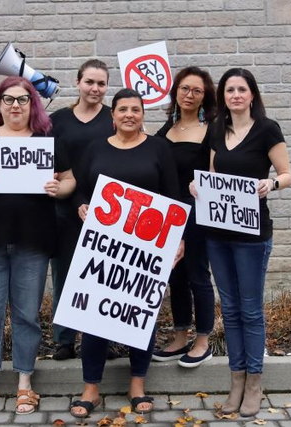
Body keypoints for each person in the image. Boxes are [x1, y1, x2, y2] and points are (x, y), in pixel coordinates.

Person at [0, 76, 75, 415]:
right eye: (8, 99)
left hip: (34, 239)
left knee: (27, 313)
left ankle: (25, 381)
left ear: (32, 104)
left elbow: (70, 179)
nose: (16, 105)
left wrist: (59, 189)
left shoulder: (46, 141)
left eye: (23, 99)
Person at [69, 89, 183, 419]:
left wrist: (179, 240)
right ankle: (91, 387)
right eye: (123, 110)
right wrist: (81, 205)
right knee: (94, 316)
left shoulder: (158, 148)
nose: (129, 114)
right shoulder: (96, 148)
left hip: (146, 250)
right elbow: (79, 187)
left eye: (135, 109)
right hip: (103, 249)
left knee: (139, 315)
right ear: (113, 115)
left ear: (143, 114)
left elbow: (174, 196)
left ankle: (137, 385)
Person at [194, 68, 291, 417]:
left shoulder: (267, 129)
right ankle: (235, 380)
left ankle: (254, 383)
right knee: (231, 310)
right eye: (229, 90)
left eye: (242, 89)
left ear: (252, 95)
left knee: (250, 310)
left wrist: (272, 186)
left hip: (252, 236)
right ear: (223, 96)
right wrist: (199, 188)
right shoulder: (216, 129)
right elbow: (212, 174)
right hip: (218, 234)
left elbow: (286, 174)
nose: (235, 95)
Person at [152, 66, 217, 368]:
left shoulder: (212, 130)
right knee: (174, 275)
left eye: (197, 90)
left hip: (198, 213)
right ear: (175, 91)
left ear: (205, 97)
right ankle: (180, 336)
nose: (189, 95)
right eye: (184, 89)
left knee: (196, 274)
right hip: (168, 213)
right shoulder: (166, 129)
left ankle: (202, 340)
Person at [49, 59, 114, 361]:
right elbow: (44, 160)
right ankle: (64, 339)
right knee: (65, 274)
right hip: (64, 208)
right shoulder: (57, 120)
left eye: (101, 83)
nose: (95, 88)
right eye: (90, 82)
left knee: (103, 276)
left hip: (108, 211)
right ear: (78, 83)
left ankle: (103, 338)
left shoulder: (116, 117)